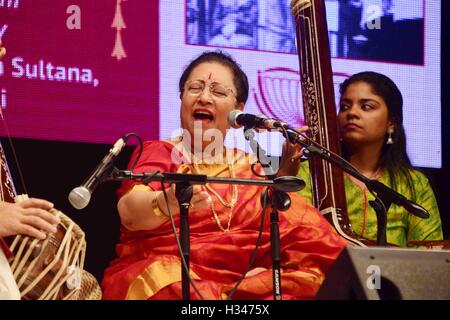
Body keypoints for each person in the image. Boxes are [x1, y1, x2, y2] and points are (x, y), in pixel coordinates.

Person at [101, 51, 347, 300]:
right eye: (194, 88)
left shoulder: (249, 168)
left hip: (241, 282)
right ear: (182, 98)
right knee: (168, 282)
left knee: (312, 281)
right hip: (174, 275)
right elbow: (130, 214)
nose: (204, 97)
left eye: (218, 92)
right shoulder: (161, 152)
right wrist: (167, 202)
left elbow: (302, 233)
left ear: (238, 111)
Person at [284, 71, 443, 247]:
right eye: (344, 106)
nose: (352, 113)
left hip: (394, 273)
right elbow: (293, 236)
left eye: (366, 106)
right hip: (326, 272)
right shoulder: (311, 173)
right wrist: (284, 177)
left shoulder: (414, 183)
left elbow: (429, 251)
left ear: (391, 122)